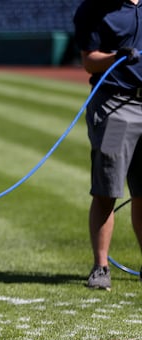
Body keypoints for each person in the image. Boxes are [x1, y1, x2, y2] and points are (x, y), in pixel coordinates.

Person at [74, 0, 142, 290]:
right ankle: (101, 266)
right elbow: (89, 59)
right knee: (107, 188)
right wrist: (117, 56)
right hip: (116, 108)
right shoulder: (94, 8)